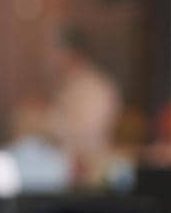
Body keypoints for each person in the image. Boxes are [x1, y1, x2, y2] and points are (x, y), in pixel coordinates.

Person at [49, 26, 122, 183]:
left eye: (57, 50)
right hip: (67, 170)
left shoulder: (96, 87)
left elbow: (88, 133)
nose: (52, 58)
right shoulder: (67, 85)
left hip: (90, 172)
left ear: (72, 53)